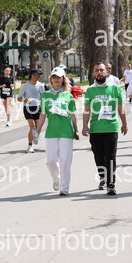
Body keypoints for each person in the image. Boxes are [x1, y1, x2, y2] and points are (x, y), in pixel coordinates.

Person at [82, 62, 128, 196]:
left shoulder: (115, 88)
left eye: (102, 70)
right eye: (96, 70)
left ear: (107, 72)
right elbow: (87, 110)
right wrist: (85, 126)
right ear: (93, 74)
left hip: (111, 127)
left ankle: (111, 183)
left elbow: (120, 108)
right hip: (96, 129)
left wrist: (124, 123)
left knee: (111, 156)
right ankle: (102, 176)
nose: (99, 72)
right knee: (98, 156)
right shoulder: (90, 90)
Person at [35, 67, 79, 196]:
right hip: (51, 132)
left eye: (58, 77)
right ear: (51, 79)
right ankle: (57, 179)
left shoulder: (68, 95)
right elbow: (43, 115)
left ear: (62, 79)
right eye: (54, 77)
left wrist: (76, 130)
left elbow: (73, 115)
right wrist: (37, 131)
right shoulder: (45, 95)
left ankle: (64, 187)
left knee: (65, 160)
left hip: (66, 132)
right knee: (51, 161)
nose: (56, 79)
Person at [17, 69, 46, 153]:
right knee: (32, 127)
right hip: (28, 108)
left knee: (38, 127)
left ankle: (36, 135)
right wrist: (24, 100)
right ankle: (30, 146)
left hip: (38, 107)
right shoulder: (25, 86)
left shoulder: (41, 85)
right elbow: (19, 98)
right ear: (33, 75)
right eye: (38, 74)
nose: (39, 76)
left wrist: (44, 108)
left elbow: (43, 97)